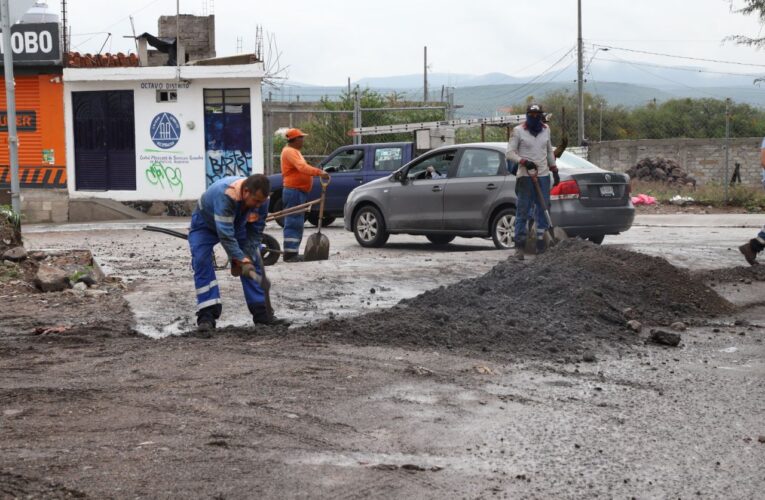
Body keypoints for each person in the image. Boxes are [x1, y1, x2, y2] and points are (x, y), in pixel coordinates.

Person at [188, 173, 285, 334]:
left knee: (254, 259)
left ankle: (262, 315)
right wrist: (239, 258)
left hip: (238, 222)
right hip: (205, 223)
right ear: (246, 192)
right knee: (201, 260)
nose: (258, 206)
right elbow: (225, 235)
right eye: (256, 201)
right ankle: (207, 316)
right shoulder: (225, 195)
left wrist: (246, 257)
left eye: (261, 202)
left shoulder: (262, 200)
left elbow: (256, 232)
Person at [506, 104, 561, 260]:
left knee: (543, 209)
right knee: (523, 210)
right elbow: (509, 153)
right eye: (531, 114)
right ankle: (519, 247)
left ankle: (540, 243)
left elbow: (549, 151)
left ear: (541, 115)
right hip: (525, 176)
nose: (534, 117)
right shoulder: (518, 131)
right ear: (527, 115)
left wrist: (554, 170)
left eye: (537, 114)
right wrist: (523, 161)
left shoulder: (546, 130)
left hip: (543, 175)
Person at [279, 128, 330, 262]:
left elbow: (301, 168)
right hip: (294, 191)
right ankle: (290, 254)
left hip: (298, 191)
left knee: (297, 221)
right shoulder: (290, 151)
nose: (303, 140)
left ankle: (292, 251)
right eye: (301, 137)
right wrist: (319, 172)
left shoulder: (294, 151)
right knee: (294, 221)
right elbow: (302, 168)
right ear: (294, 140)